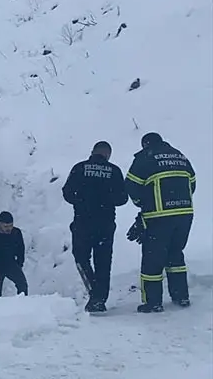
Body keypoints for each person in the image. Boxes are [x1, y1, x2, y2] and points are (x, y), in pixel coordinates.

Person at [125, 132, 196, 313]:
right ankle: (181, 296)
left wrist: (143, 204)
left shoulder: (145, 158)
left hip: (158, 216)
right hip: (185, 214)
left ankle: (153, 302)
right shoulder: (180, 156)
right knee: (175, 254)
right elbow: (192, 183)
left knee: (152, 258)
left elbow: (131, 186)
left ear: (146, 144)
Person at [61, 140, 129, 313]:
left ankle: (94, 293)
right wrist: (106, 200)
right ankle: (100, 299)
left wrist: (82, 200)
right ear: (108, 154)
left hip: (82, 222)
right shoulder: (114, 171)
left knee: (80, 258)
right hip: (105, 224)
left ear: (93, 152)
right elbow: (122, 198)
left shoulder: (80, 167)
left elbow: (67, 192)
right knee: (104, 262)